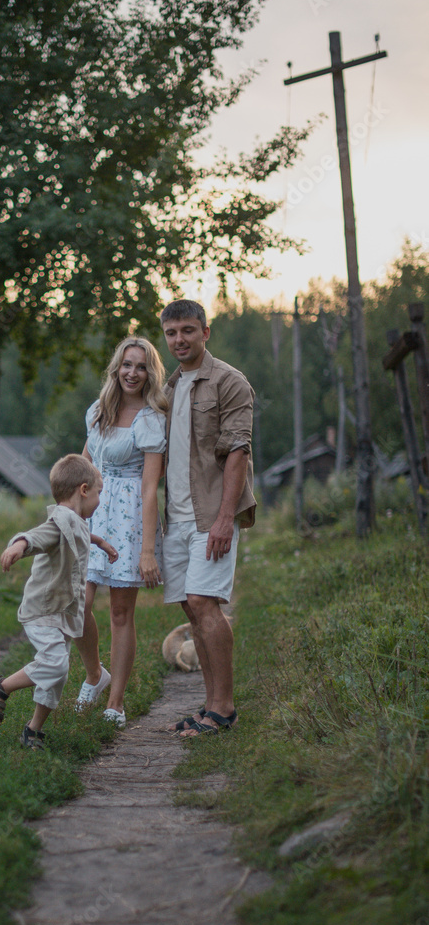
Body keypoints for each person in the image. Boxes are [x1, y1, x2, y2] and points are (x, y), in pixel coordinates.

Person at [160, 299, 256, 738]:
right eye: (171, 333)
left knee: (204, 603)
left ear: (205, 332)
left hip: (211, 514)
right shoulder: (169, 388)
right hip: (176, 517)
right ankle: (210, 705)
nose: (179, 340)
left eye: (187, 330)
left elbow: (238, 452)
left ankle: (224, 709)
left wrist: (224, 519)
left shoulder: (229, 382)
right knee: (191, 608)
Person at [0, 454, 117, 750]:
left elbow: (79, 535)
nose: (99, 500)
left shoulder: (76, 521)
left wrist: (100, 542)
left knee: (57, 675)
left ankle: (33, 731)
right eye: (98, 493)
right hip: (43, 611)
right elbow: (38, 536)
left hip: (60, 613)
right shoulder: (60, 521)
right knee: (54, 665)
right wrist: (19, 545)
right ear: (83, 490)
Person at [74, 337, 167, 729]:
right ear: (117, 368)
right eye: (127, 364)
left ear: (150, 373)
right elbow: (83, 466)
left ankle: (116, 702)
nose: (132, 372)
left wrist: (147, 551)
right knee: (77, 603)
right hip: (92, 513)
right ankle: (95, 674)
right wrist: (68, 515)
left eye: (141, 366)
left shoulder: (151, 420)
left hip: (128, 518)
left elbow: (150, 488)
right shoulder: (98, 411)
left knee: (119, 611)